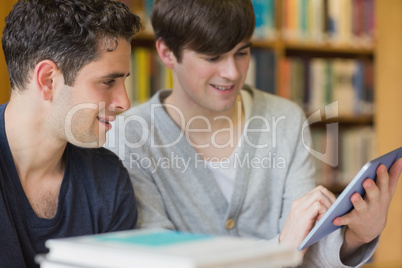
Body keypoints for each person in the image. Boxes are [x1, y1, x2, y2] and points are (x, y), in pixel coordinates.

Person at [106, 0, 402, 267]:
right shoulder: (130, 136)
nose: (233, 72)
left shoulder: (284, 120)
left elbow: (306, 250)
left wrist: (358, 237)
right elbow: (160, 261)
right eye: (213, 58)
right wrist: (281, 249)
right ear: (166, 53)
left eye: (242, 53)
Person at [0, 0, 143, 267]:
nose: (124, 102)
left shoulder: (108, 179)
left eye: (124, 81)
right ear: (48, 80)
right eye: (108, 81)